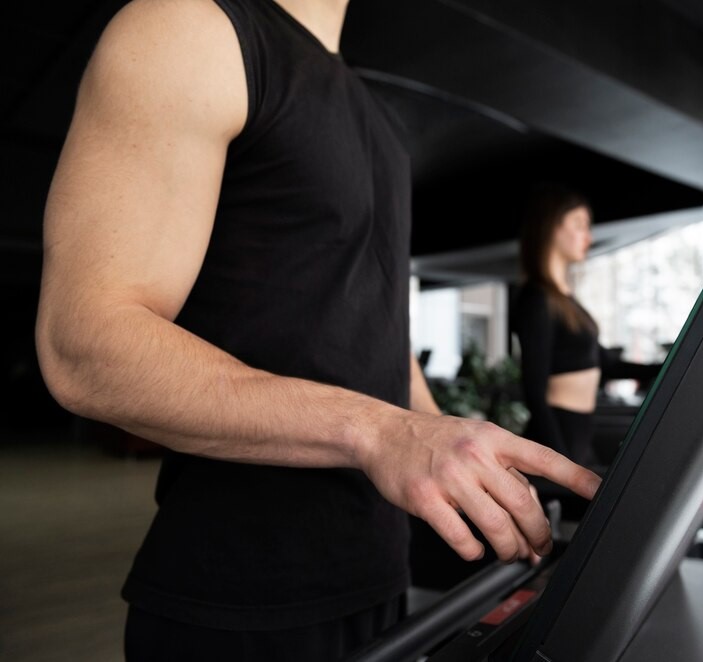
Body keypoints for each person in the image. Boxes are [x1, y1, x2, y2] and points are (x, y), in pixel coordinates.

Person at [33, 0, 601, 659]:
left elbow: (381, 339)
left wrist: (464, 458)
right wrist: (380, 431)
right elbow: (84, 346)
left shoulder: (381, 123)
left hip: (379, 585)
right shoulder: (189, 26)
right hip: (243, 602)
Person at [512, 185, 661, 466]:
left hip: (579, 433)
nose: (588, 237)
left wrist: (666, 367)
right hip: (557, 435)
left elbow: (605, 363)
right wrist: (558, 460)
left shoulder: (565, 301)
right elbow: (534, 390)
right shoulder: (536, 299)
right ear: (551, 226)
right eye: (579, 224)